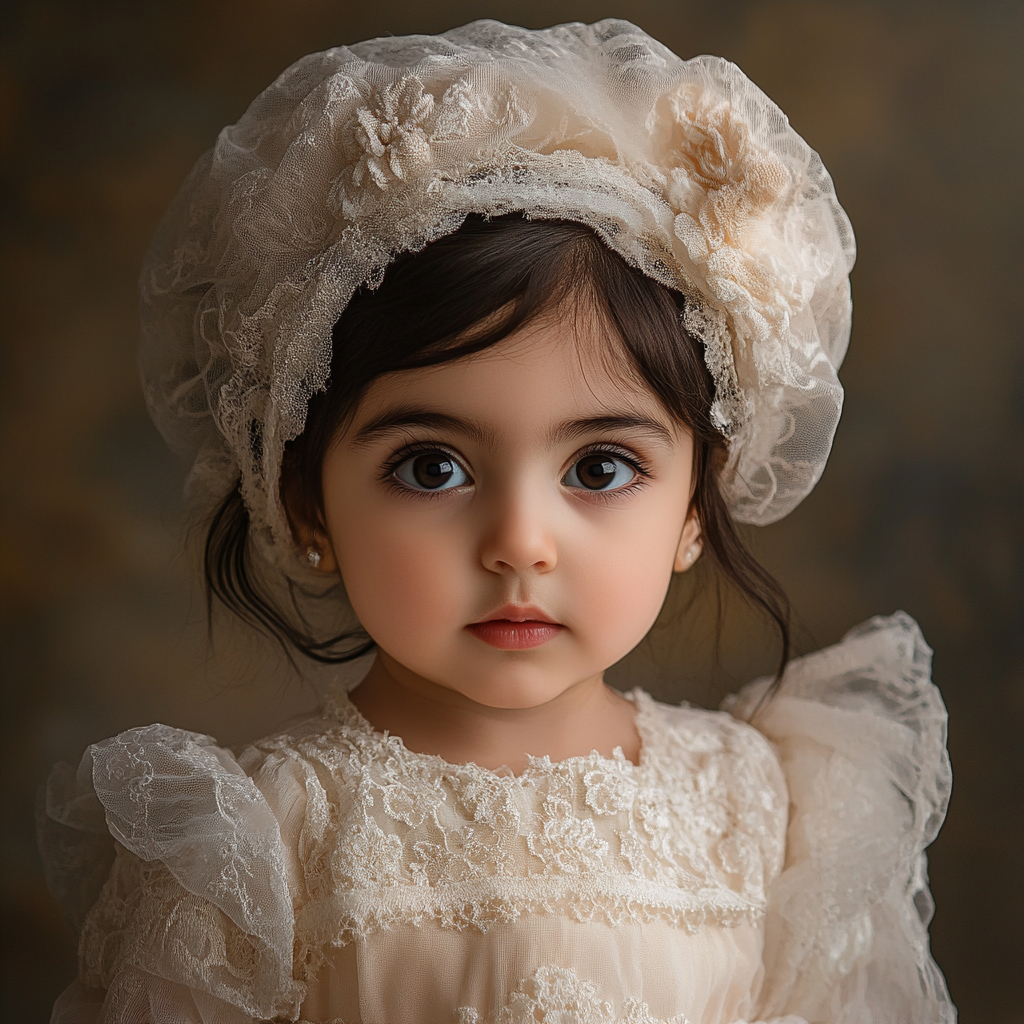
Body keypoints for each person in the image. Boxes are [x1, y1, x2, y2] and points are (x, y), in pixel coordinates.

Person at [37, 19, 954, 1024]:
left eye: (600, 467)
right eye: (431, 467)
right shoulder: (261, 844)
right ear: (306, 503)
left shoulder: (771, 813)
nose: (520, 540)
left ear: (696, 504)